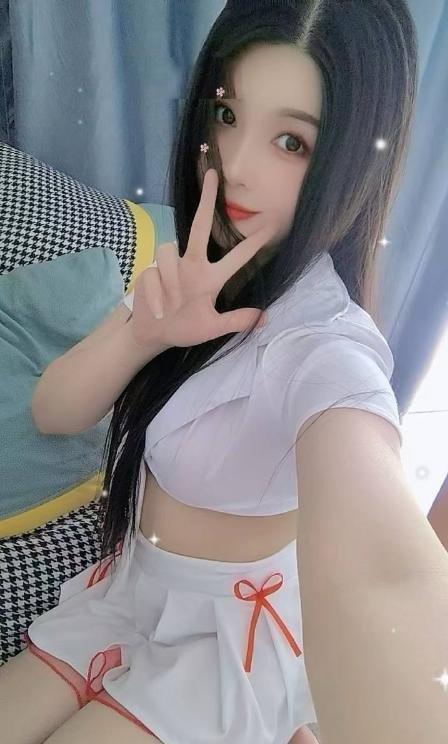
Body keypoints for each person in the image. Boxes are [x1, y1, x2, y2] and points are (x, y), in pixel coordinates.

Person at [2, 2, 447, 743]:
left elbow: (384, 573)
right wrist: (145, 333)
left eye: (291, 141)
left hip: (227, 641)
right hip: (127, 590)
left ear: (349, 161)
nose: (235, 164)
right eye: (227, 113)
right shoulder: (197, 267)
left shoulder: (327, 348)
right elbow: (53, 411)